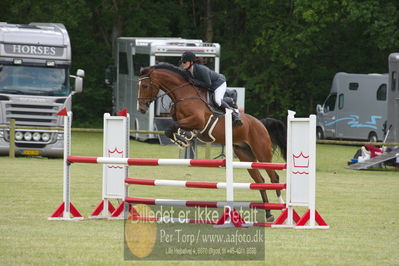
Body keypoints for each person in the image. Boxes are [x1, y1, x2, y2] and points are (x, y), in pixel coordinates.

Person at [180, 51, 242, 126]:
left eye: (184, 62)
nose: (182, 64)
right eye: (182, 62)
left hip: (218, 84)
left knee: (217, 100)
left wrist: (195, 82)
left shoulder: (201, 69)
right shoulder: (187, 71)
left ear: (191, 62)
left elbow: (208, 84)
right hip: (209, 86)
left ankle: (234, 114)